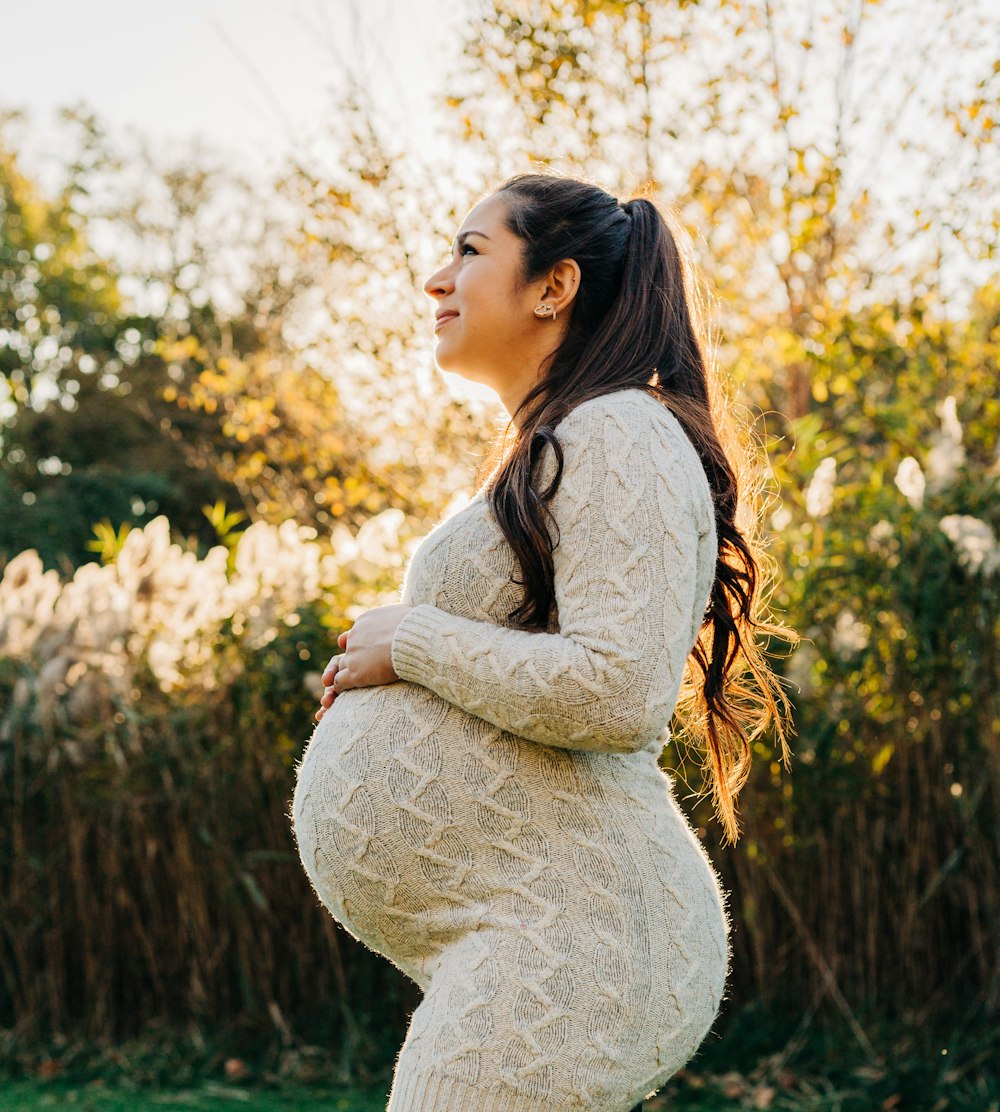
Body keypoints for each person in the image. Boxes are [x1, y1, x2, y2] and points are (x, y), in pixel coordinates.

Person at [291, 171, 795, 1111]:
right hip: (524, 928)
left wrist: (412, 641)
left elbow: (617, 689)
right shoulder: (567, 440)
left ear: (553, 287)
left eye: (470, 252)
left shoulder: (620, 431)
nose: (436, 281)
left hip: (576, 932)